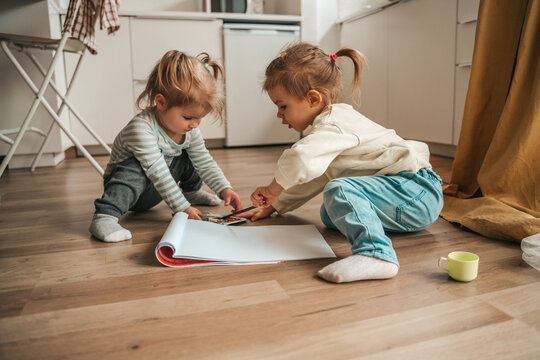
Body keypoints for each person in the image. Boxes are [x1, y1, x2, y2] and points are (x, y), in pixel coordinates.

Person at [247, 43, 443, 283]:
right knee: (330, 212)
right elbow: (318, 175)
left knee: (339, 191)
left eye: (283, 106)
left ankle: (377, 255)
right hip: (407, 200)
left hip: (416, 191)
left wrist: (271, 190)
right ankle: (373, 232)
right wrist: (276, 204)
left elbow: (300, 158)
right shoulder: (331, 128)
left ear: (312, 99)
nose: (279, 115)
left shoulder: (334, 124)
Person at [90, 50, 242, 242]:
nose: (195, 124)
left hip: (158, 189)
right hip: (129, 192)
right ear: (161, 102)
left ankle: (192, 191)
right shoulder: (141, 129)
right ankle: (105, 215)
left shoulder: (189, 130)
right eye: (188, 117)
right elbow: (158, 172)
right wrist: (182, 208)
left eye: (199, 118)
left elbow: (204, 162)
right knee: (136, 166)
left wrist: (224, 188)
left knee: (191, 154)